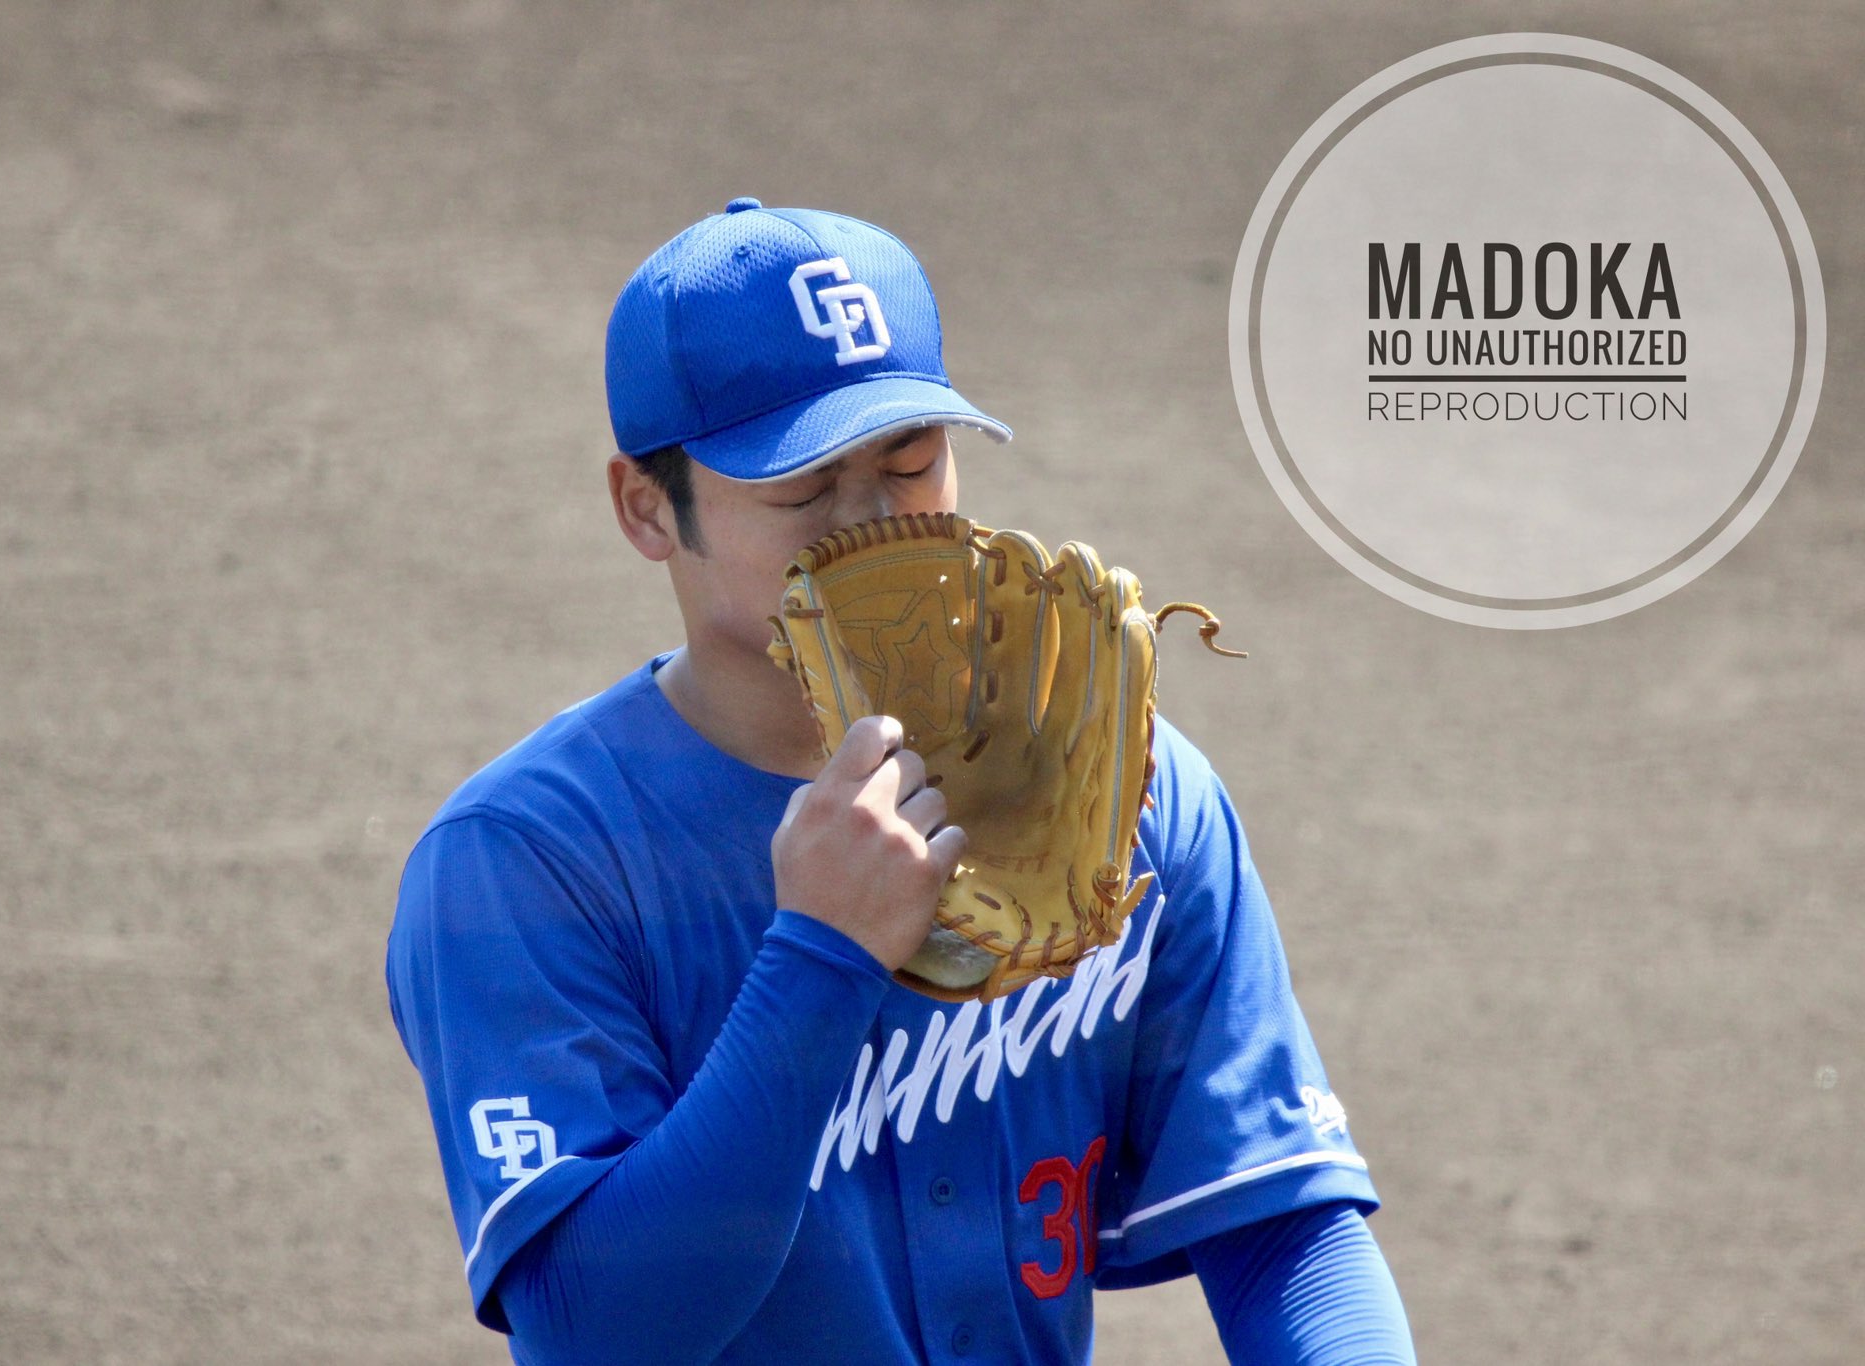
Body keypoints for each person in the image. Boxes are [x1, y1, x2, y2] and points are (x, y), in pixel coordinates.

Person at [385, 198, 1417, 1364]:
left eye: (910, 458)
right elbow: (592, 1330)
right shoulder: (524, 864)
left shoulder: (1120, 788)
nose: (874, 523)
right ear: (645, 507)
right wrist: (820, 959)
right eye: (801, 486)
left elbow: (1279, 1231)